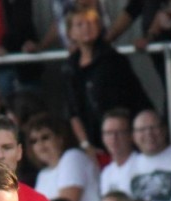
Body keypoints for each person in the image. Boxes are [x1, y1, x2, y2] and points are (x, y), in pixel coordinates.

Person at [62, 6, 151, 151]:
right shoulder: (70, 66)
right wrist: (85, 144)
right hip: (92, 141)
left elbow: (129, 101)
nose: (86, 28)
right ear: (70, 33)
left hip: (121, 137)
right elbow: (73, 111)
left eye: (91, 22)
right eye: (80, 24)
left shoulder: (113, 59)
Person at [26, 113, 101, 201]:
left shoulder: (72, 157)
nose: (40, 144)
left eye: (45, 137)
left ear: (60, 139)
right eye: (34, 141)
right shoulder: (42, 175)